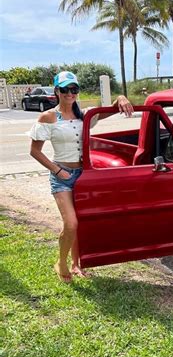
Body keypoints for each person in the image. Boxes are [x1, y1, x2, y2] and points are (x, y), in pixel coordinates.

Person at [29, 71, 133, 283]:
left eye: (74, 89)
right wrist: (57, 170)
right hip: (62, 176)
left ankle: (76, 264)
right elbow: (35, 151)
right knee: (71, 223)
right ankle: (61, 262)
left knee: (80, 223)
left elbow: (111, 110)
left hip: (84, 175)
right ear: (57, 91)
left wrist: (121, 97)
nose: (70, 93)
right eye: (65, 89)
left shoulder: (84, 116)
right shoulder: (48, 117)